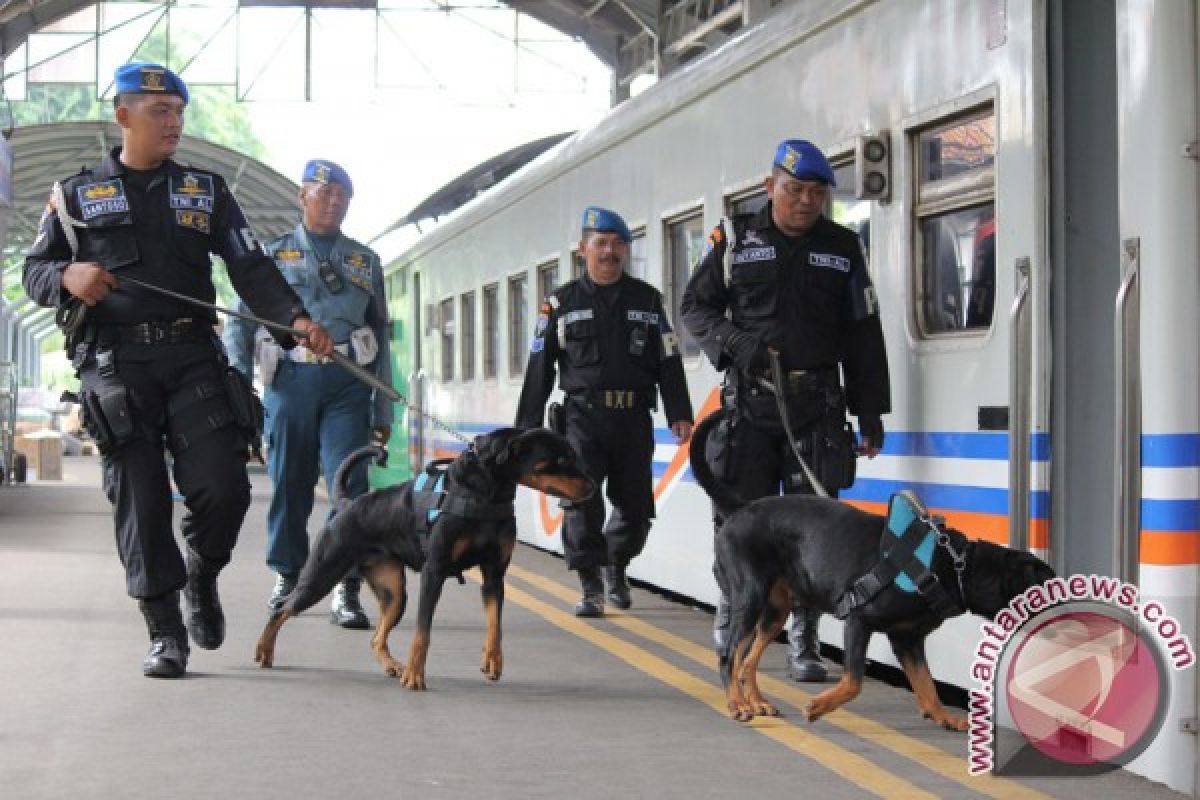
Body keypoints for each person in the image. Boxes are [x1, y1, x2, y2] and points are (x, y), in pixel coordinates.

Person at [22, 63, 333, 678]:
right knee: (138, 498)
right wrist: (67, 275)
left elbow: (251, 268)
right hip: (117, 365)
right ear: (124, 116)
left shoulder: (207, 191)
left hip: (193, 357)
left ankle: (202, 572)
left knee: (225, 486)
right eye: (159, 110)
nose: (173, 121)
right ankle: (164, 629)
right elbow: (36, 271)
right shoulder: (74, 195)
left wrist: (294, 321)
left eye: (178, 110)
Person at [681, 139, 890, 682]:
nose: (804, 201)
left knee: (813, 531)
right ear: (770, 185)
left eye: (816, 193)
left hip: (816, 407)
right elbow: (694, 308)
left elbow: (863, 332)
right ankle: (733, 619)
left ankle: (805, 640)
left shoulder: (843, 247)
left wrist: (871, 412)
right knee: (741, 522)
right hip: (750, 407)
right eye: (794, 189)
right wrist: (736, 342)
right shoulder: (734, 239)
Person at [224, 159, 392, 629]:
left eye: (341, 194)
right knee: (291, 483)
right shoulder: (272, 258)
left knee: (351, 487)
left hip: (348, 384)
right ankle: (288, 577)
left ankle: (346, 585)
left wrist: (382, 403)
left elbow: (380, 334)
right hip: (291, 381)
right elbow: (240, 323)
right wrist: (238, 387)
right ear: (303, 196)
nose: (333, 201)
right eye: (324, 192)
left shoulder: (365, 261)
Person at [515, 207, 694, 616]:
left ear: (626, 250)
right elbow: (540, 367)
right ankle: (590, 582)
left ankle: (616, 562)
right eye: (601, 243)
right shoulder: (560, 303)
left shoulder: (647, 300)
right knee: (581, 502)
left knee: (636, 509)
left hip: (633, 419)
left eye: (617, 244)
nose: (609, 251)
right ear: (584, 249)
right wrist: (526, 429)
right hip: (582, 419)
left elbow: (668, 359)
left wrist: (679, 412)